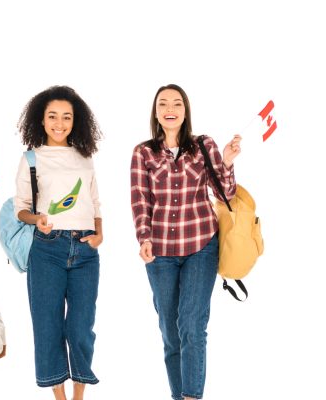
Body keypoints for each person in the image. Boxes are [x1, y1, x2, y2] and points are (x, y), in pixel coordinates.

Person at [130, 84, 242, 400]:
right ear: (156, 111)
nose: (170, 108)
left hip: (201, 246)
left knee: (192, 327)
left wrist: (228, 162)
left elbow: (225, 194)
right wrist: (143, 237)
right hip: (160, 252)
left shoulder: (203, 145)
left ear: (185, 110)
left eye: (177, 103)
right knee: (171, 333)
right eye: (163, 103)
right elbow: (140, 199)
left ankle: (192, 397)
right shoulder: (143, 152)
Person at [14, 86, 103, 400]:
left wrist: (100, 232)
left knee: (81, 328)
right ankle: (59, 397)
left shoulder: (85, 156)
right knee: (47, 327)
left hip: (85, 251)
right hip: (47, 248)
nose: (59, 123)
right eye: (52, 116)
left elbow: (94, 202)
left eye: (67, 117)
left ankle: (79, 395)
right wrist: (35, 219)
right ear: (41, 119)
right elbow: (21, 206)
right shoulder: (31, 158)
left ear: (75, 121)